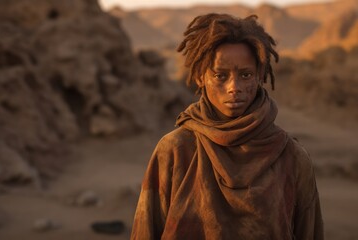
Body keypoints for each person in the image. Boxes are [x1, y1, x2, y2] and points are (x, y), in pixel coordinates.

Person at [131, 13, 324, 240]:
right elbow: (145, 232)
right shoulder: (174, 150)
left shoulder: (292, 157)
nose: (234, 87)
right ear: (201, 77)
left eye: (245, 75)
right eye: (220, 75)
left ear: (260, 75)